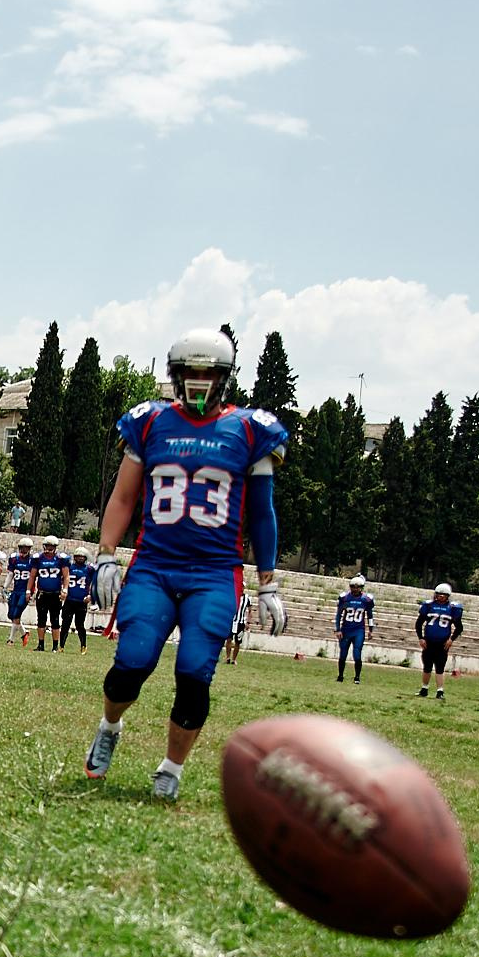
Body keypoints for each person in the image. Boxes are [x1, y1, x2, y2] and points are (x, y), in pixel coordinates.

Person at [81, 324, 287, 800]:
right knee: (132, 661)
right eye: (189, 371)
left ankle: (171, 769)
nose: (198, 380)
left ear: (225, 378)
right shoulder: (151, 421)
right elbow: (124, 496)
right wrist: (107, 555)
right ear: (175, 375)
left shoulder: (250, 428)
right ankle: (109, 727)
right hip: (155, 565)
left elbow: (262, 512)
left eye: (207, 372)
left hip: (216, 572)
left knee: (195, 670)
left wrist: (268, 582)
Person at [415, 581, 464, 698]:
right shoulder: (429, 606)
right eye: (439, 594)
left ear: (448, 595)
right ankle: (424, 689)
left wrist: (451, 639)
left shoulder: (452, 608)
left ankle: (440, 691)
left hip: (442, 642)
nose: (441, 596)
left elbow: (459, 627)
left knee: (440, 667)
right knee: (427, 665)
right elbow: (419, 623)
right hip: (429, 640)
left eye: (444, 594)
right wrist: (421, 638)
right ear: (435, 594)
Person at [333, 574, 375, 682]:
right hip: (346, 629)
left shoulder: (366, 600)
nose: (355, 589)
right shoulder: (345, 598)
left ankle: (357, 677)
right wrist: (337, 629)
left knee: (357, 653)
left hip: (358, 630)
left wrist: (371, 630)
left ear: (362, 587)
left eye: (358, 587)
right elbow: (338, 615)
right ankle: (340, 676)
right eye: (353, 587)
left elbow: (370, 615)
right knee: (343, 653)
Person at [30, 535, 68, 651]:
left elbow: (66, 576)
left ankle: (55, 646)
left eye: (52, 546)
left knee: (55, 620)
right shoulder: (38, 558)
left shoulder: (61, 559)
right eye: (48, 546)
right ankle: (41, 645)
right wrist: (28, 590)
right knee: (41, 619)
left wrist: (65, 589)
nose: (49, 548)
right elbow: (32, 576)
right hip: (42, 593)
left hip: (55, 594)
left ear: (55, 547)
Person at [5, 536, 35, 644]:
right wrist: (5, 586)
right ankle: (24, 633)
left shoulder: (32, 560)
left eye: (26, 548)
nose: (24, 550)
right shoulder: (14, 558)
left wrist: (31, 592)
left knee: (16, 614)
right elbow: (11, 574)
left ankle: (11, 640)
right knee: (11, 615)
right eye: (22, 548)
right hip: (16, 590)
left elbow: (34, 576)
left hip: (26, 591)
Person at [60, 554, 92, 651]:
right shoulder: (69, 567)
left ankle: (83, 645)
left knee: (80, 625)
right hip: (69, 600)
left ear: (85, 558)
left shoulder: (89, 569)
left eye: (82, 557)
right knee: (65, 624)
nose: (80, 558)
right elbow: (63, 580)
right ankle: (61, 646)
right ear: (74, 557)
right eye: (78, 556)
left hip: (82, 601)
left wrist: (91, 595)